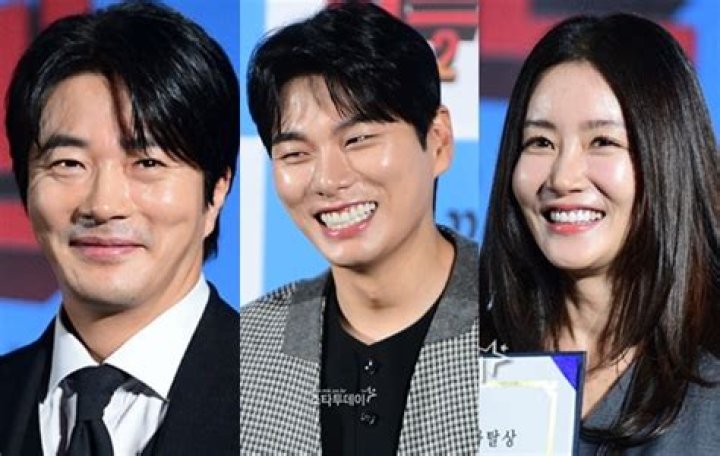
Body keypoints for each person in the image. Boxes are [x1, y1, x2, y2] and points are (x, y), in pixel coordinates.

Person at [0, 3, 239, 455]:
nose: (103, 205)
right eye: (68, 163)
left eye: (147, 163)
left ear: (216, 191)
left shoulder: (309, 411)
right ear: (25, 186)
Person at [241, 2, 478, 454]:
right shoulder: (246, 347)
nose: (328, 180)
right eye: (295, 154)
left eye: (358, 139)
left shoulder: (521, 319)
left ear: (438, 141)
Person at [479, 13, 720, 454]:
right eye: (540, 142)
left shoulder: (710, 383)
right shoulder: (461, 363)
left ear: (667, 156)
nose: (562, 177)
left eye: (603, 142)